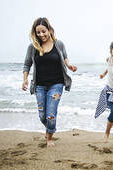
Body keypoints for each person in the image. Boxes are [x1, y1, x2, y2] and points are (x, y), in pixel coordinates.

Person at [22, 17, 77, 147]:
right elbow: (26, 65)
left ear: (49, 30)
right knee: (42, 116)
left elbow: (65, 58)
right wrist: (25, 79)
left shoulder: (59, 44)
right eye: (38, 32)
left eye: (43, 31)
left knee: (51, 114)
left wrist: (70, 66)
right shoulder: (33, 47)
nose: (41, 35)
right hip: (40, 86)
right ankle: (50, 128)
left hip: (56, 84)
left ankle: (49, 138)